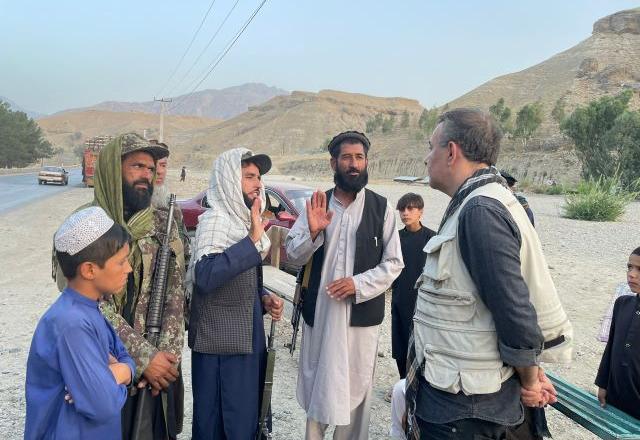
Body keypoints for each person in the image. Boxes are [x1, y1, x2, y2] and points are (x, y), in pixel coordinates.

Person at [406, 109, 573, 439]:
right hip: (465, 402)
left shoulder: (480, 210)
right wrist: (534, 372)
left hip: (466, 413)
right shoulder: (482, 201)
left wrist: (529, 380)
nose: (427, 157)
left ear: (451, 151)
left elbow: (514, 311)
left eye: (431, 146)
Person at [53, 133, 187, 439]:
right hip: (104, 366)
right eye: (137, 166)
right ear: (114, 169)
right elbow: (87, 303)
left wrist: (163, 363)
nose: (146, 176)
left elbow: (175, 299)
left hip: (157, 379)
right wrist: (141, 360)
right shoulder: (82, 228)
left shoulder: (163, 224)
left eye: (151, 169)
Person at [285, 130, 404, 439]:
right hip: (321, 317)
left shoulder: (382, 209)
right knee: (319, 393)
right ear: (333, 163)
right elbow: (293, 255)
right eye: (347, 157)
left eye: (360, 158)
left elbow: (394, 264)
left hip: (359, 324)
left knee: (357, 391)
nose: (354, 164)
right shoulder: (317, 205)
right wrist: (312, 232)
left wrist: (357, 283)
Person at [187, 147, 284, 439]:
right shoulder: (215, 223)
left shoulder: (240, 222)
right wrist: (253, 239)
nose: (258, 184)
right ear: (229, 180)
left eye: (259, 177)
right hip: (219, 351)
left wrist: (263, 297)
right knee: (218, 427)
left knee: (245, 424)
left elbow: (237, 273)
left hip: (245, 343)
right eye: (249, 176)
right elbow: (205, 276)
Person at [26, 207, 135, 439]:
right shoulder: (71, 323)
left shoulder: (91, 308)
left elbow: (126, 360)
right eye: (121, 262)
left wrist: (117, 373)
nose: (129, 269)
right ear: (89, 270)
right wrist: (106, 381)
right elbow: (102, 404)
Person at [392, 193, 435, 379]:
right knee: (400, 342)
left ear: (421, 212)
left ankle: (421, 383)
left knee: (422, 342)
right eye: (402, 209)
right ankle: (403, 382)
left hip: (423, 301)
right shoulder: (395, 238)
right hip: (400, 297)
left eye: (410, 209)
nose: (405, 213)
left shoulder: (432, 239)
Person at [595, 246, 640, 419]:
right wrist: (602, 383)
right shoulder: (622, 304)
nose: (632, 274)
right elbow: (611, 346)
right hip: (616, 394)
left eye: (639, 269)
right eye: (630, 267)